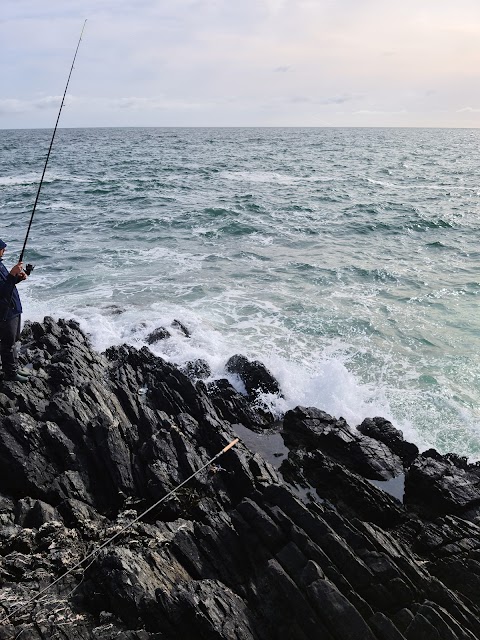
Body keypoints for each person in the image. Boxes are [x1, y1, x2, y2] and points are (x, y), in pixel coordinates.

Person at [0, 239, 29, 382]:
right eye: (2, 248)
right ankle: (10, 374)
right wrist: (12, 274)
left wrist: (18, 278)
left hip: (13, 309)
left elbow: (7, 284)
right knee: (7, 344)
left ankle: (14, 368)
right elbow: (2, 291)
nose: (4, 250)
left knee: (13, 341)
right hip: (5, 313)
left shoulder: (0, 264)